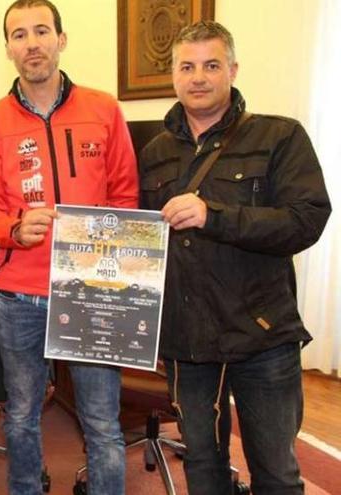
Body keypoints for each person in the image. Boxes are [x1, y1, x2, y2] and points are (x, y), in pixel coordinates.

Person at [139, 20, 331, 495]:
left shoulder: (279, 136)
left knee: (276, 472)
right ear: (173, 74)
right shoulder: (156, 151)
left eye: (211, 65)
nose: (198, 77)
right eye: (187, 66)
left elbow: (306, 220)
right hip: (188, 342)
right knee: (202, 465)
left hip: (261, 336)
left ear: (233, 70)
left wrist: (215, 215)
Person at [0, 1, 138, 493]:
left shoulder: (104, 108)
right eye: (19, 35)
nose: (32, 43)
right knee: (21, 415)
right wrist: (15, 229)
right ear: (7, 48)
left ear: (61, 39)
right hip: (20, 295)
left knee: (102, 421)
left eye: (41, 31)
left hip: (90, 291)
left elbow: (126, 197)